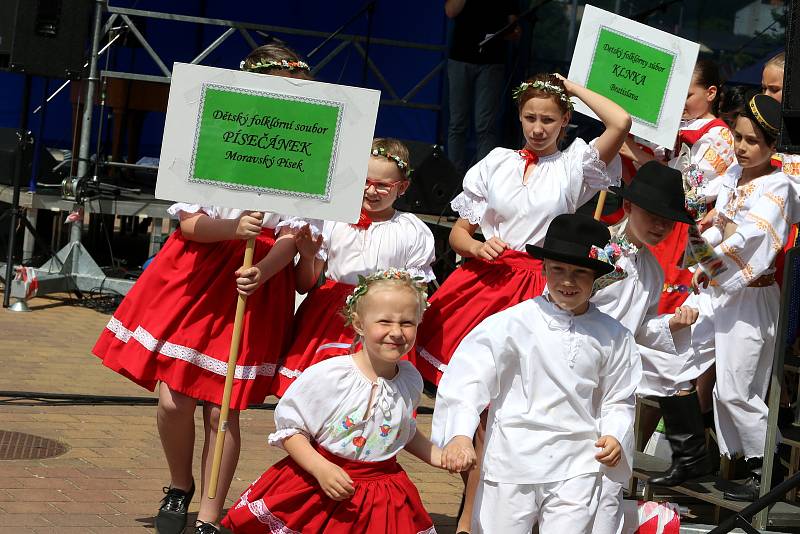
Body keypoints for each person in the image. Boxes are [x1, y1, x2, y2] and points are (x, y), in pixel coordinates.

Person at [91, 44, 318, 534]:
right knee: (175, 399)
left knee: (224, 407)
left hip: (252, 282)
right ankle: (179, 486)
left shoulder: (306, 150)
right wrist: (233, 228)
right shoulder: (216, 137)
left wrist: (266, 270)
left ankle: (210, 516)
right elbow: (191, 224)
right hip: (196, 274)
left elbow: (291, 234)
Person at [416, 72, 630, 533]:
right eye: (530, 117)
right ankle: (473, 517)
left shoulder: (575, 165)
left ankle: (496, 512)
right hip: (485, 280)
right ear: (518, 116)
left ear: (566, 120)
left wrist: (570, 87)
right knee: (476, 401)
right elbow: (460, 230)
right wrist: (475, 248)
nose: (537, 127)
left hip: (540, 281)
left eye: (548, 119)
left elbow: (620, 121)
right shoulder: (496, 162)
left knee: (511, 404)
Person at [432, 213, 639, 534]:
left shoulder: (613, 335)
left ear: (596, 278)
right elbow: (468, 380)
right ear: (543, 269)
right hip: (513, 458)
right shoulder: (511, 324)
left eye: (580, 272)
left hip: (577, 463)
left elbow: (619, 397)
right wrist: (460, 433)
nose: (568, 281)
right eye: (558, 269)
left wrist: (614, 433)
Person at [223, 269, 471, 533]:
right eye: (384, 322)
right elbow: (292, 430)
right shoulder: (332, 375)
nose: (396, 332)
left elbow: (403, 431)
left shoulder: (410, 380)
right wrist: (321, 469)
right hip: (320, 485)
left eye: (407, 323)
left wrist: (440, 457)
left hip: (382, 493)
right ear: (358, 323)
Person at [683, 94, 795, 501]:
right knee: (681, 358)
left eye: (752, 142)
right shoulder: (733, 175)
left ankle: (768, 468)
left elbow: (751, 239)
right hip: (721, 291)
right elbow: (716, 229)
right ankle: (694, 453)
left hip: (753, 297)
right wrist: (704, 250)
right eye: (738, 137)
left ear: (772, 146)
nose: (742, 148)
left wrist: (711, 249)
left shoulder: (780, 185)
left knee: (737, 389)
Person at [272, 138, 436, 396]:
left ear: (402, 186)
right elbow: (304, 284)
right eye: (365, 182)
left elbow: (418, 295)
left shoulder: (413, 230)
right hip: (330, 317)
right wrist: (307, 257)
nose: (371, 191)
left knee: (373, 392)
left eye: (383, 185)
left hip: (382, 319)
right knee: (322, 392)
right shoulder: (332, 221)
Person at [590, 162, 702, 532]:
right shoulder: (602, 251)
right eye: (652, 216)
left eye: (667, 222)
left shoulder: (652, 270)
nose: (659, 226)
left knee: (609, 473)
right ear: (629, 208)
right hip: (578, 369)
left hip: (618, 381)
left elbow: (640, 328)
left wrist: (671, 323)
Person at [445, 0, 520, 175]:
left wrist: (509, 32)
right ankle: (453, 177)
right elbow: (450, 11)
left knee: (485, 125)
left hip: (491, 61)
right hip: (460, 57)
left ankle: (482, 178)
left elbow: (514, 27)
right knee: (457, 123)